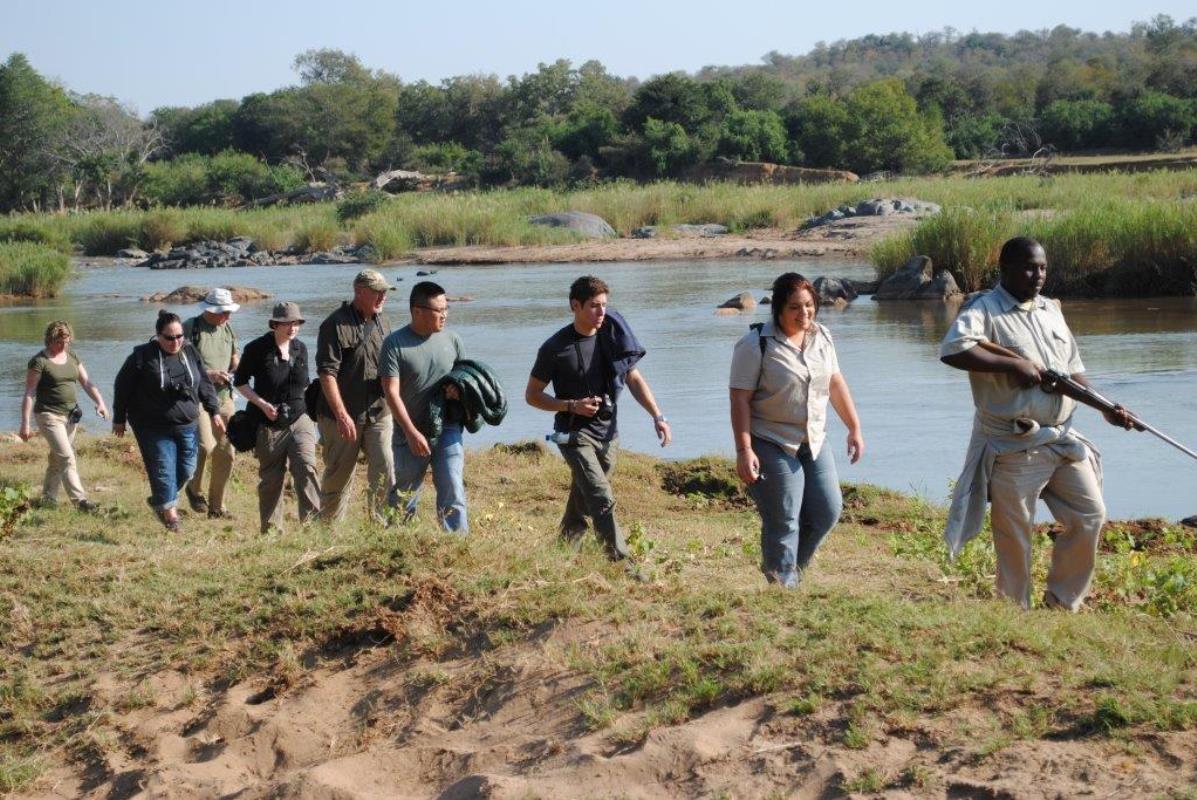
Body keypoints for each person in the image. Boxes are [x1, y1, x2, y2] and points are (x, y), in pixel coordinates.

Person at [940, 236, 1135, 611]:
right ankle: (1015, 611)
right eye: (1030, 267)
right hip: (1014, 445)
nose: (1038, 274)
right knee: (1015, 533)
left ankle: (1062, 602)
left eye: (1043, 267)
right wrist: (1014, 364)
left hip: (1062, 439)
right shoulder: (985, 310)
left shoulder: (1051, 310)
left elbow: (1073, 373)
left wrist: (1107, 407)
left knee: (1090, 514)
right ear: (1006, 269)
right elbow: (953, 349)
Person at [729, 272, 864, 588]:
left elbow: (835, 383)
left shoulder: (823, 337)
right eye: (795, 307)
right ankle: (782, 583)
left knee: (827, 511)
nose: (804, 313)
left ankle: (791, 572)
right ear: (778, 309)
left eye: (809, 305)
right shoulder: (755, 345)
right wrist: (744, 450)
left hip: (814, 439)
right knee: (785, 516)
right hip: (770, 440)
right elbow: (739, 400)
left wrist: (854, 428)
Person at [525, 275, 671, 567]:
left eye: (604, 305)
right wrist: (570, 406)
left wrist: (658, 416)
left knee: (583, 497)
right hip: (573, 434)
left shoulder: (612, 336)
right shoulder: (555, 348)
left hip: (608, 433)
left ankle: (562, 552)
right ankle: (621, 563)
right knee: (600, 496)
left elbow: (634, 378)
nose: (601, 313)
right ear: (575, 306)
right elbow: (532, 395)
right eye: (594, 306)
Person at [112, 310, 224, 532]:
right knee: (163, 469)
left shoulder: (190, 351)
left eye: (180, 336)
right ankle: (171, 517)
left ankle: (160, 501)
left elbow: (203, 383)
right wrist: (119, 418)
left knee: (187, 470)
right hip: (152, 426)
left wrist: (214, 411)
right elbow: (122, 387)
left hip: (187, 423)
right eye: (170, 338)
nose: (176, 342)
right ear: (157, 335)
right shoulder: (142, 357)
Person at [380, 281, 469, 532]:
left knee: (453, 484)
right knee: (407, 490)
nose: (445, 314)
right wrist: (410, 432)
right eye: (438, 310)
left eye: (446, 308)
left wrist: (458, 390)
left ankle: (457, 546)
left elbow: (466, 379)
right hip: (410, 431)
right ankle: (398, 541)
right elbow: (391, 393)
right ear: (417, 311)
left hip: (448, 427)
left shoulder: (452, 340)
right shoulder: (395, 344)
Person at [315, 268, 395, 524]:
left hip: (379, 411)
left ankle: (380, 530)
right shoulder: (334, 324)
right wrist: (341, 415)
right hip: (342, 415)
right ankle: (328, 535)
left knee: (385, 470)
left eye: (384, 292)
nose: (382, 297)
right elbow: (327, 374)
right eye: (376, 292)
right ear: (359, 292)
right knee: (339, 477)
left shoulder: (384, 322)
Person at [233, 302, 321, 534]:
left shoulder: (300, 348)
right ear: (275, 324)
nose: (292, 328)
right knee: (272, 478)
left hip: (300, 417)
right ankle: (272, 531)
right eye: (286, 323)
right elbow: (240, 382)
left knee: (307, 467)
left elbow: (305, 383)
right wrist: (262, 405)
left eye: (296, 323)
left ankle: (313, 528)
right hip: (268, 422)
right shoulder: (256, 349)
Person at [18, 321, 108, 512]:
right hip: (48, 416)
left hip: (70, 416)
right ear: (49, 340)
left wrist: (99, 402)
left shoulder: (72, 356)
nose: (63, 346)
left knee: (56, 459)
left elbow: (86, 382)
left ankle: (48, 498)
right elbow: (29, 392)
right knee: (67, 457)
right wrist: (25, 423)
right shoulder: (39, 361)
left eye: (67, 342)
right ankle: (81, 501)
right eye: (59, 342)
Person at [182, 287, 240, 519]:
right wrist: (209, 374)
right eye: (223, 312)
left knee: (227, 453)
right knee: (205, 446)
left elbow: (235, 357)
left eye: (228, 311)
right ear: (210, 310)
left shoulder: (227, 328)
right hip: (198, 399)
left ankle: (217, 507)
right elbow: (180, 366)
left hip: (225, 398)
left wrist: (234, 371)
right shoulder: (190, 328)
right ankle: (194, 489)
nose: (227, 316)